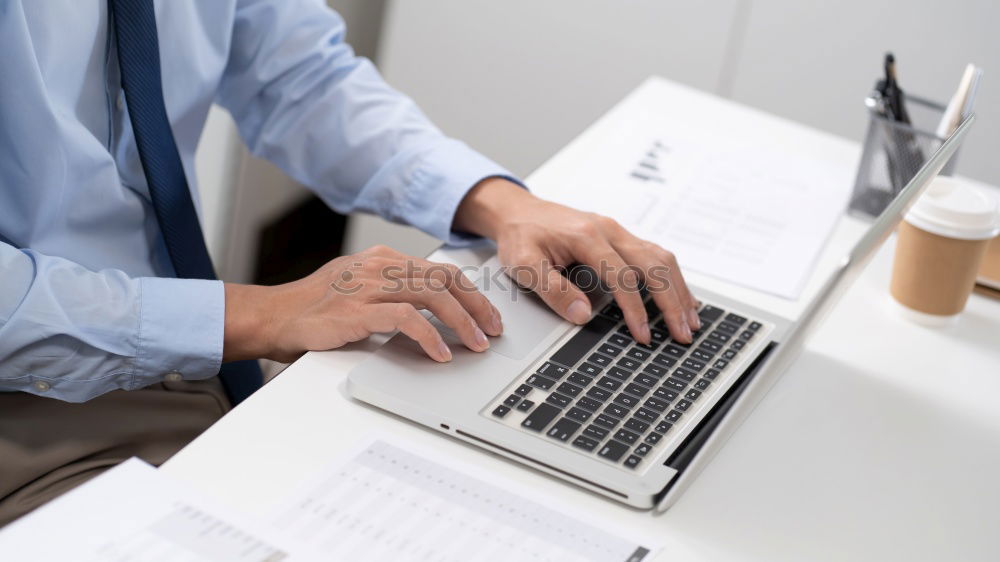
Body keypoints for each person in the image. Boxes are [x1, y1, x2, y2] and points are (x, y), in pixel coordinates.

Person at [0, 0, 699, 525]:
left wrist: (497, 203)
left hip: (183, 353)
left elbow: (300, 79)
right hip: (28, 403)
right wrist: (259, 314)